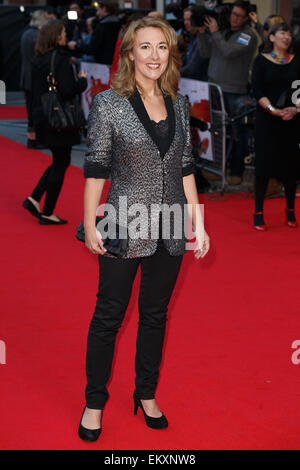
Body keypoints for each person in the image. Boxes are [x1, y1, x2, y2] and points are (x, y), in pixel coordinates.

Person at [78, 16, 210, 441]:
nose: (154, 56)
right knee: (109, 316)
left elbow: (186, 166)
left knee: (155, 316)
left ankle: (146, 393)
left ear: (170, 54)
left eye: (162, 47)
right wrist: (89, 218)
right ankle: (94, 402)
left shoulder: (177, 103)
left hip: (171, 224)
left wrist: (198, 222)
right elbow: (96, 166)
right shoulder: (109, 103)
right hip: (123, 220)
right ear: (129, 52)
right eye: (145, 47)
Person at [22, 19, 87, 225]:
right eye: (62, 33)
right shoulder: (60, 60)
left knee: (59, 160)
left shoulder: (38, 59)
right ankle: (48, 212)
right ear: (56, 36)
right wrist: (83, 82)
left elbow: (34, 92)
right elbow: (68, 90)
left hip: (44, 116)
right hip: (60, 119)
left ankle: (34, 198)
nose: (65, 35)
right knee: (61, 162)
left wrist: (32, 121)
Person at [197, 0, 259, 184]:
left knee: (237, 133)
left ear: (247, 17)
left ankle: (237, 172)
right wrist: (202, 34)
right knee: (216, 131)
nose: (235, 18)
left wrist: (215, 33)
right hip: (214, 87)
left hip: (234, 91)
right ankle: (216, 169)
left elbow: (229, 52)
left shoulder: (248, 35)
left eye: (239, 16)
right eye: (233, 14)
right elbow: (206, 53)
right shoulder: (223, 31)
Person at [251, 23, 300, 231]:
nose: (286, 37)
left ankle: (290, 209)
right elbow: (257, 89)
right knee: (263, 166)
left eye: (289, 33)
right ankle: (258, 211)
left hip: (292, 119)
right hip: (267, 120)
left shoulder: (297, 61)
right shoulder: (261, 61)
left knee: (291, 167)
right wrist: (272, 109)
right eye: (282, 33)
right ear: (271, 37)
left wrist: (296, 109)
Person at [19, 9, 49, 149]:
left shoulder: (26, 33)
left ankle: (32, 138)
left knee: (30, 110)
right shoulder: (38, 36)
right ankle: (37, 139)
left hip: (26, 76)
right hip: (35, 78)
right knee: (36, 110)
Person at [180, 6, 209, 81]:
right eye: (185, 19)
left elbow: (192, 68)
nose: (186, 23)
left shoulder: (202, 38)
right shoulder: (191, 36)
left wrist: (172, 73)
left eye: (189, 19)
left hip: (199, 84)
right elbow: (186, 59)